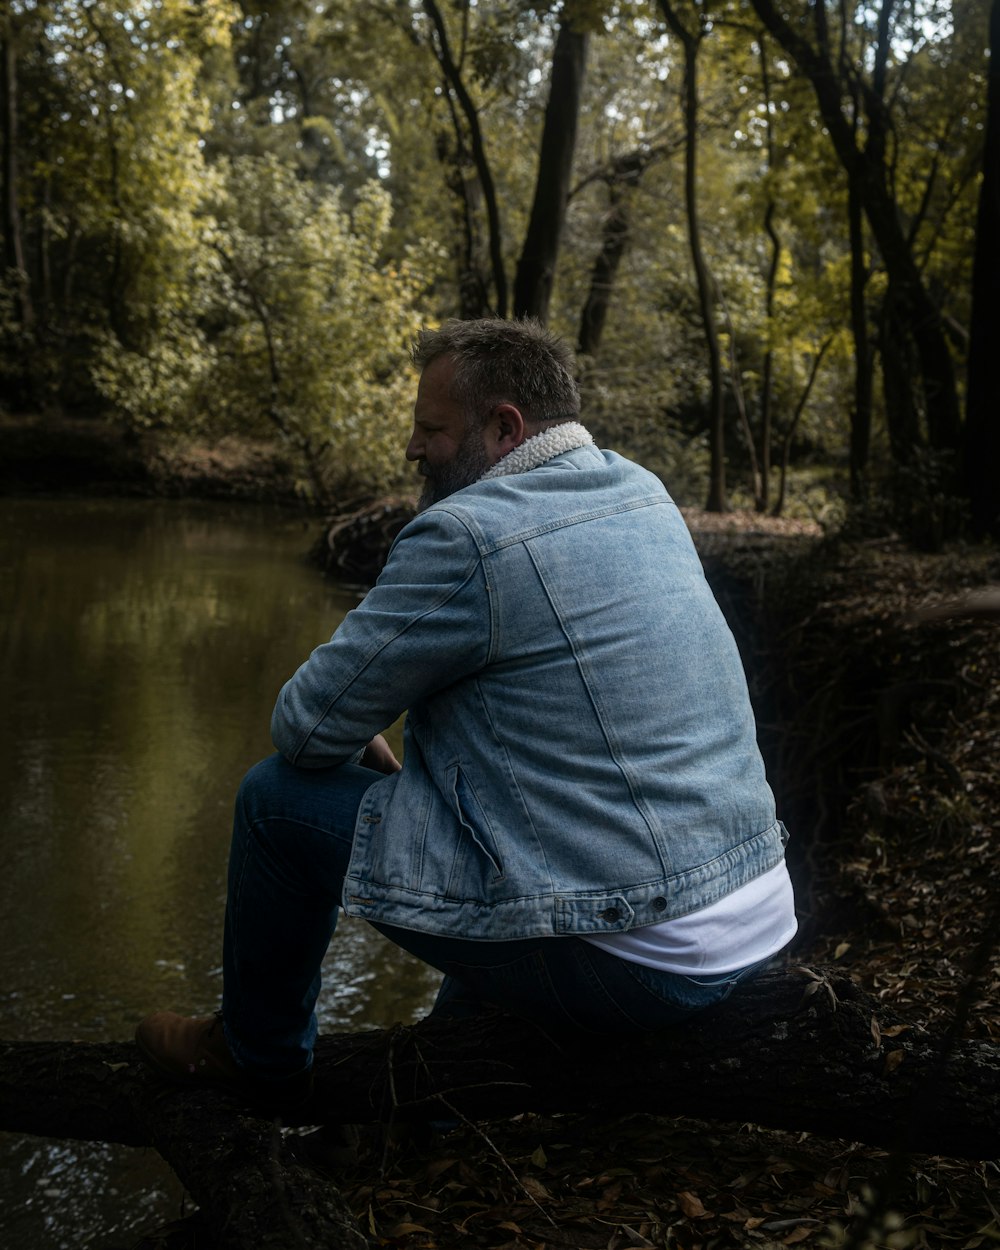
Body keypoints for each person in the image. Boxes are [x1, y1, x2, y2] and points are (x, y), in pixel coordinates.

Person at [135, 318, 796, 1107]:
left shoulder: (467, 535)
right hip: (752, 918)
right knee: (478, 835)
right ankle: (444, 1100)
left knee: (274, 804)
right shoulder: (640, 491)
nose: (413, 450)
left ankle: (256, 1056)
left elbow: (305, 727)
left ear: (504, 427)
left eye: (430, 430)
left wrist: (367, 734)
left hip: (642, 960)